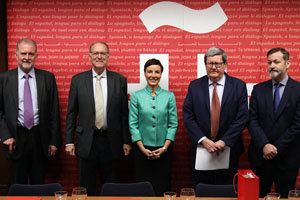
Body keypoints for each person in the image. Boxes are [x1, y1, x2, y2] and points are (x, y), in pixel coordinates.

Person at [65, 41, 131, 196]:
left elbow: (123, 114)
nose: (99, 56)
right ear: (90, 56)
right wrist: (69, 141)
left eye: (103, 53)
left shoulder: (119, 80)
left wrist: (126, 141)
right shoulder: (77, 80)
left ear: (108, 56)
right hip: (87, 141)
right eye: (96, 53)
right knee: (86, 187)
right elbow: (72, 113)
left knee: (111, 186)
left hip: (111, 142)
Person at [183, 47, 249, 186]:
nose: (213, 67)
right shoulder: (194, 86)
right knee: (202, 190)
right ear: (205, 65)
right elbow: (188, 116)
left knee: (226, 191)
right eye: (210, 63)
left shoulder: (239, 86)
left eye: (217, 64)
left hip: (228, 149)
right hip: (201, 148)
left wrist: (224, 141)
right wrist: (203, 139)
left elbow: (242, 117)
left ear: (225, 64)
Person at [0, 38, 61, 184]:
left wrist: (54, 141)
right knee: (17, 183)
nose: (27, 57)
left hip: (40, 136)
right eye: (23, 53)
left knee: (38, 183)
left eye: (31, 54)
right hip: (15, 138)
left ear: (36, 56)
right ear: (16, 55)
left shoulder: (48, 78)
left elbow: (54, 111)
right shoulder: (4, 79)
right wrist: (5, 135)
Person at [248, 47, 300, 198]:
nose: (272, 65)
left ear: (288, 63)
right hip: (260, 157)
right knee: (257, 196)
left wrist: (274, 148)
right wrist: (264, 145)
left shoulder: (298, 90)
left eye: (276, 62)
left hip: (287, 158)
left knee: (284, 197)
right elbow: (252, 120)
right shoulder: (258, 89)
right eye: (269, 62)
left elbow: (297, 124)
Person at [129, 58, 177, 196]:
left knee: (162, 187)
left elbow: (173, 125)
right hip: (141, 151)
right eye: (150, 71)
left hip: (164, 151)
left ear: (161, 74)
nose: (153, 75)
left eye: (157, 72)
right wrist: (143, 149)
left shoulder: (169, 96)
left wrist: (164, 148)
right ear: (144, 73)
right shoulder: (136, 97)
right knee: (143, 190)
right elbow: (133, 124)